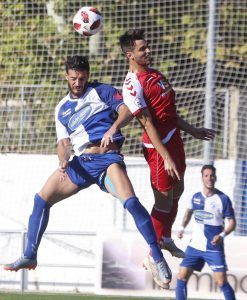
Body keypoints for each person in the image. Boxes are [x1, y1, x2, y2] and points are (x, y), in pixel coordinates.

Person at [3, 55, 172, 289]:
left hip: (107, 159)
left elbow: (126, 110)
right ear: (66, 76)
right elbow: (62, 143)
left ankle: (157, 256)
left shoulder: (101, 91)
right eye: (73, 78)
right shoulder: (61, 108)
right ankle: (30, 253)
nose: (78, 83)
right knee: (41, 199)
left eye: (82, 78)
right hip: (82, 163)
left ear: (88, 76)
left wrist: (113, 127)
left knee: (131, 202)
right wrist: (62, 160)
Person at [117, 29, 216, 267]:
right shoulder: (132, 85)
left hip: (174, 140)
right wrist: (166, 157)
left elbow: (169, 114)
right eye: (142, 49)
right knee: (163, 202)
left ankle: (166, 238)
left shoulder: (155, 75)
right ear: (130, 55)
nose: (148, 51)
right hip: (157, 149)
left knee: (177, 192)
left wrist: (192, 129)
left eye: (148, 46)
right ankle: (153, 255)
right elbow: (148, 123)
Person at [175, 165, 236, 300]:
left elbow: (232, 222)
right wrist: (181, 227)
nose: (209, 178)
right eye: (206, 176)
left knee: (221, 282)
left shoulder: (223, 199)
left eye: (212, 175)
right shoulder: (195, 197)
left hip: (213, 248)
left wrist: (222, 235)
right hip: (195, 246)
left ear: (215, 177)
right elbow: (188, 212)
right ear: (202, 178)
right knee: (181, 278)